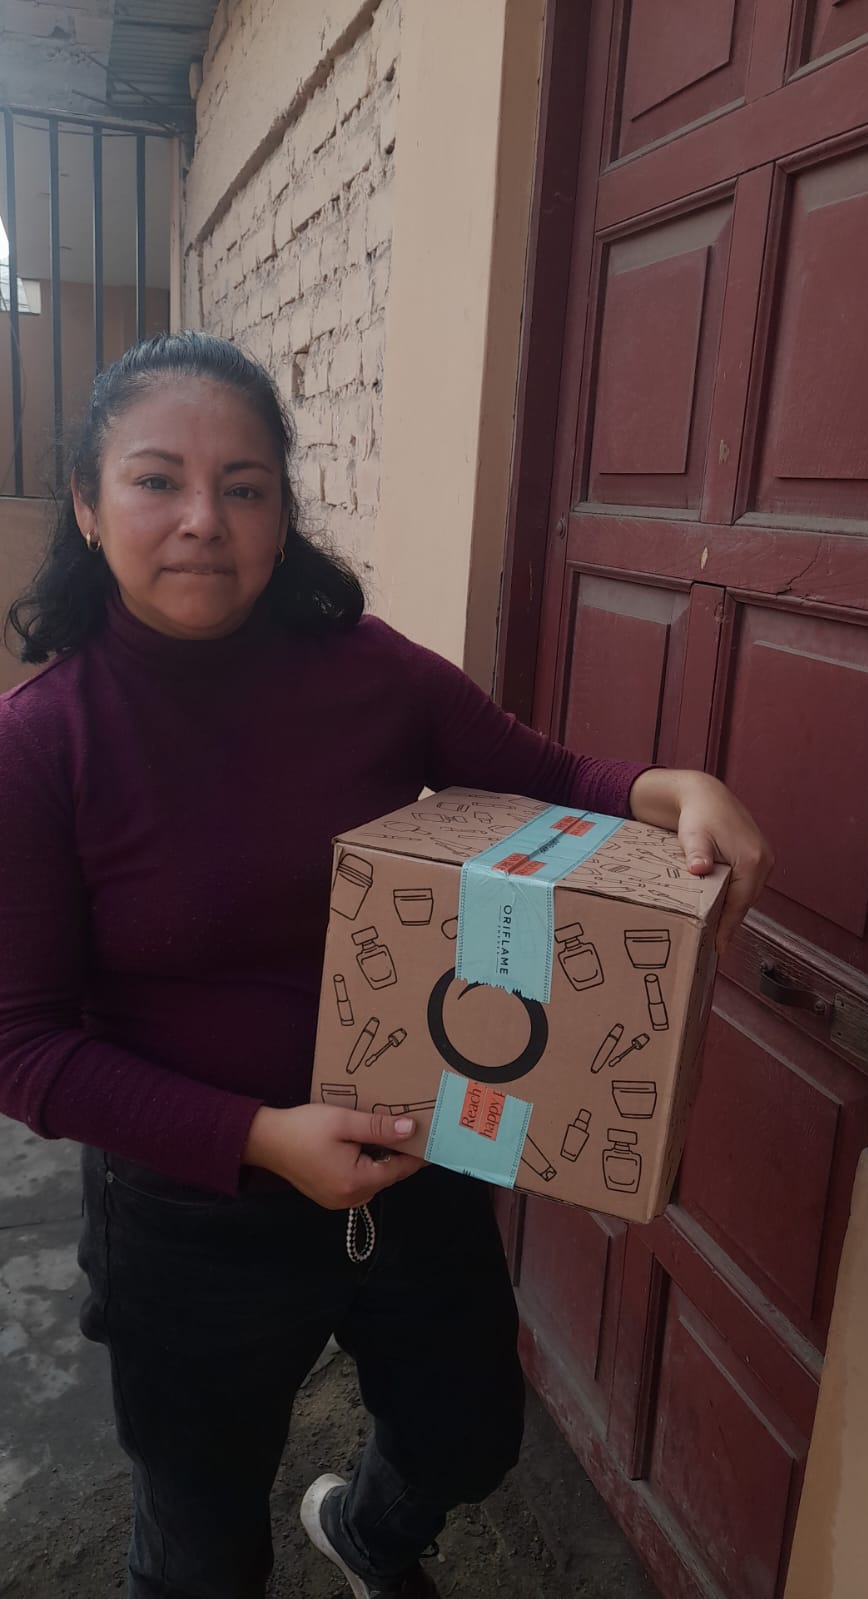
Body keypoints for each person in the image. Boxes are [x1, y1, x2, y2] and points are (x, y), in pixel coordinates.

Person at [0, 332, 772, 1599]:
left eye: (244, 486)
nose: (203, 520)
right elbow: (21, 1048)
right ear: (87, 505)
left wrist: (667, 787)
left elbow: (548, 775)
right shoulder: (41, 746)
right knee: (199, 1550)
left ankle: (368, 1533)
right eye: (155, 480)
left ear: (281, 513)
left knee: (468, 1438)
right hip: (191, 1214)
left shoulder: (367, 674)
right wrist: (263, 1138)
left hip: (414, 1158)